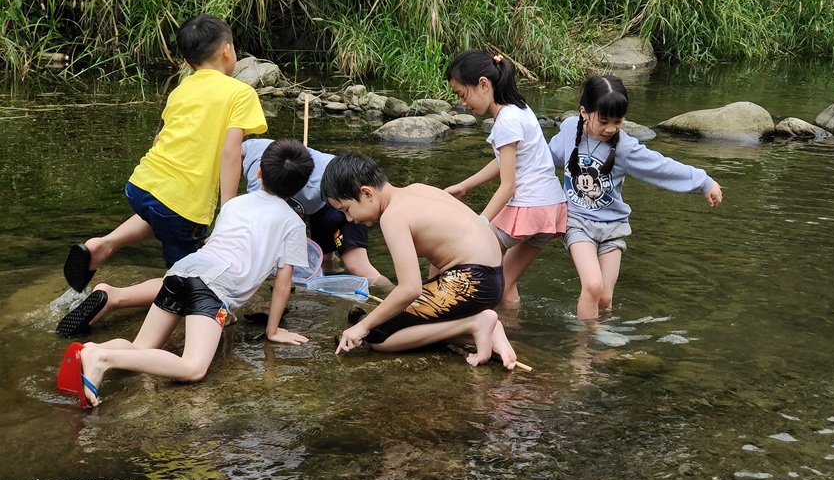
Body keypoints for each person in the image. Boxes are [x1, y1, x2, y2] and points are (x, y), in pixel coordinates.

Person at [56, 139, 313, 408]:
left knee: (142, 348)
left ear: (259, 172)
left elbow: (219, 244)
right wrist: (272, 331)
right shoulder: (292, 223)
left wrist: (226, 313)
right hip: (212, 288)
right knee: (193, 368)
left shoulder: (234, 205)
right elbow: (283, 282)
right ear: (300, 186)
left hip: (183, 270)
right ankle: (101, 359)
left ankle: (91, 351)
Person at [57, 15, 267, 338]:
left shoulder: (182, 89)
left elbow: (160, 139)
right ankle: (114, 297)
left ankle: (103, 245)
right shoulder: (239, 93)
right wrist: (228, 213)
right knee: (188, 279)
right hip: (181, 202)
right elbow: (230, 152)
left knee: (161, 211)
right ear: (228, 50)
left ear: (186, 61)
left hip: (143, 183)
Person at [548, 75, 723, 320]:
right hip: (577, 222)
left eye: (618, 121)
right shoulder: (569, 130)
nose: (611, 128)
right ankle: (582, 351)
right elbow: (547, 159)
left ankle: (601, 339)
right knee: (593, 286)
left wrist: (703, 181)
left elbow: (660, 167)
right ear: (584, 112)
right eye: (604, 121)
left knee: (606, 298)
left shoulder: (625, 148)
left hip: (613, 226)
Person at [321, 153, 519, 369]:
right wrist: (431, 307)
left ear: (366, 192)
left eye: (347, 210)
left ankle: (475, 325)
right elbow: (441, 257)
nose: (350, 219)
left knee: (377, 336)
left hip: (470, 283)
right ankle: (485, 328)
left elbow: (410, 289)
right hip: (491, 278)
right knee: (394, 316)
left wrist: (362, 327)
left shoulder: (393, 216)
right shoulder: (417, 189)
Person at [444, 50, 567, 305]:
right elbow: (505, 161)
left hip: (527, 208)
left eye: (461, 94)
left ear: (483, 84)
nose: (463, 103)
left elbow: (509, 185)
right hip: (550, 208)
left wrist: (482, 222)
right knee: (506, 282)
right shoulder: (519, 109)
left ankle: (447, 311)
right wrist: (465, 185)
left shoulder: (505, 122)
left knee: (464, 255)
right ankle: (514, 336)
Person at [242, 138, 391, 287]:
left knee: (357, 265)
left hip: (342, 193)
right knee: (322, 258)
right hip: (318, 194)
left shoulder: (320, 190)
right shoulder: (256, 177)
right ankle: (328, 272)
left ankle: (396, 293)